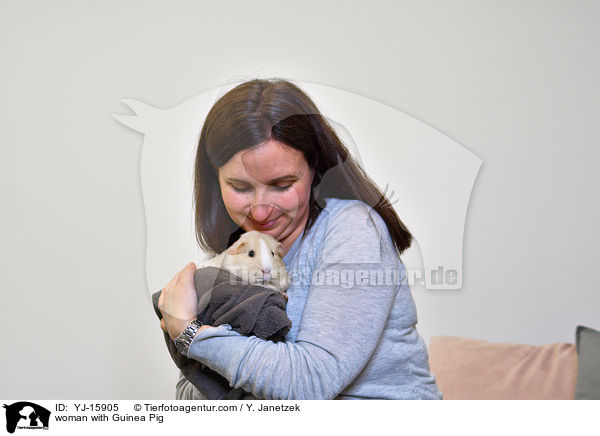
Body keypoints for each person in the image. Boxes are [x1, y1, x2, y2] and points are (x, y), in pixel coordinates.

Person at [158, 78, 443, 400]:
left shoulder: (353, 228)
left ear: (315, 167)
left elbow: (312, 382)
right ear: (215, 176)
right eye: (240, 187)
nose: (261, 210)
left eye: (281, 184)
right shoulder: (241, 250)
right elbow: (194, 387)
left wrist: (188, 332)